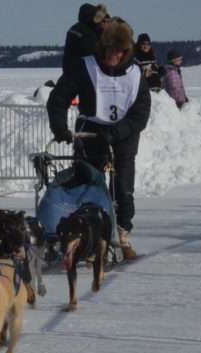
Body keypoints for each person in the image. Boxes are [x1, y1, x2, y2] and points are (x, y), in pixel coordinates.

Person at [48, 16, 151, 261]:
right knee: (88, 188)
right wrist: (60, 128)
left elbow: (140, 114)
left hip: (123, 138)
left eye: (118, 51)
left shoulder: (135, 74)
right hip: (89, 135)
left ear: (126, 51)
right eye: (108, 50)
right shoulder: (86, 66)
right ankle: (85, 236)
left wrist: (116, 132)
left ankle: (122, 235)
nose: (112, 55)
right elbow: (59, 97)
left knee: (123, 190)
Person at [62, 4, 109, 72]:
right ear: (91, 16)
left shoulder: (75, 28)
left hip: (70, 69)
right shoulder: (87, 32)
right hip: (80, 71)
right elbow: (96, 51)